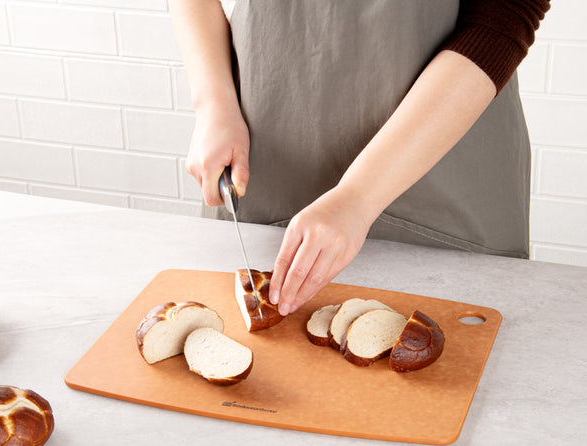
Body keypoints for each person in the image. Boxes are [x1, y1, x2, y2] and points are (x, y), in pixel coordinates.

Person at [169, 0, 550, 317]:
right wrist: (212, 103)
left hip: (444, 172)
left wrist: (358, 197)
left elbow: (505, 15)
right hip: (269, 166)